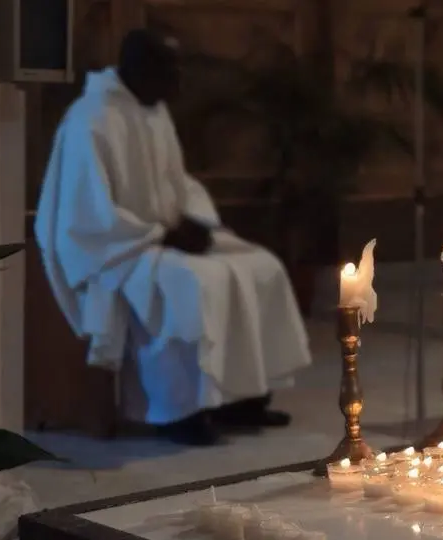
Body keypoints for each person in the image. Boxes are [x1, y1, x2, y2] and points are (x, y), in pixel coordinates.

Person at [34, 29, 312, 446]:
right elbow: (86, 215)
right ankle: (178, 411)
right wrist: (161, 233)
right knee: (192, 284)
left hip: (160, 236)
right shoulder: (90, 119)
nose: (179, 78)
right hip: (116, 248)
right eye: (169, 68)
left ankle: (242, 399)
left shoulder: (153, 110)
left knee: (261, 267)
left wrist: (194, 221)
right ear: (138, 69)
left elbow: (176, 184)